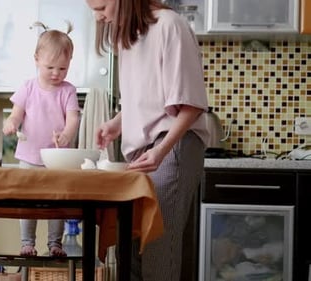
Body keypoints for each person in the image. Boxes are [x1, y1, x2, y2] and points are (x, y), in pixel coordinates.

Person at [84, 0, 210, 280]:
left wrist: (162, 151)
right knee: (129, 249)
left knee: (156, 248)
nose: (97, 17)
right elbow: (146, 95)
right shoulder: (129, 36)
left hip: (173, 145)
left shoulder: (170, 26)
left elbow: (193, 104)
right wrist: (117, 123)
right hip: (143, 150)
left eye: (101, 7)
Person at [2, 21, 81, 257]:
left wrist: (67, 134)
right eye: (50, 68)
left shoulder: (68, 90)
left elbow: (73, 118)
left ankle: (55, 244)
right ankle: (27, 242)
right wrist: (11, 123)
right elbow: (16, 114)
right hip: (29, 156)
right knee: (28, 201)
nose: (57, 74)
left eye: (63, 69)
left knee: (56, 203)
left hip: (56, 160)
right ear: (36, 59)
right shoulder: (28, 87)